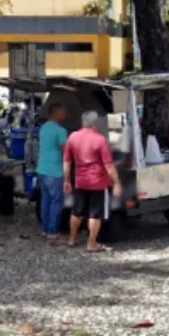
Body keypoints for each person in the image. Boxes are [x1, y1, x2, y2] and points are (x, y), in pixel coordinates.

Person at [63, 111, 122, 252]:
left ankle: (72, 239)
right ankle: (91, 243)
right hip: (98, 182)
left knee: (76, 211)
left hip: (80, 181)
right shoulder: (100, 140)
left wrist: (66, 180)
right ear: (95, 123)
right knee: (95, 214)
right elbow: (109, 165)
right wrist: (116, 182)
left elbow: (67, 161)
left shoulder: (72, 137)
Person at [37, 104, 68, 240]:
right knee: (56, 201)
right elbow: (65, 151)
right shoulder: (61, 131)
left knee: (46, 200)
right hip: (54, 170)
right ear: (56, 113)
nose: (65, 113)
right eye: (63, 111)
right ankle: (52, 231)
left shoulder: (43, 128)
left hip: (42, 169)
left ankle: (45, 228)